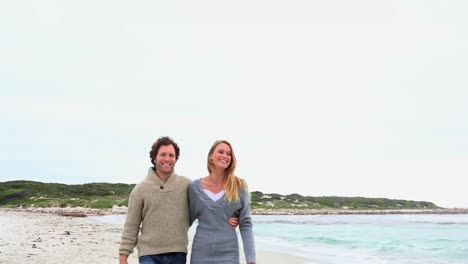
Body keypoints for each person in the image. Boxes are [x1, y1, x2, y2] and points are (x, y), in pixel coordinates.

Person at [118, 137, 238, 264]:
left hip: (177, 254)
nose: (167, 158)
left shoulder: (187, 185)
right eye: (163, 154)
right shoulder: (140, 190)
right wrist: (123, 256)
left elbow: (208, 207)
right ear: (154, 158)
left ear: (176, 159)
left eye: (171, 155)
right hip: (148, 255)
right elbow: (131, 226)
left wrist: (234, 216)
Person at [188, 140, 256, 264]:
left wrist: (251, 259)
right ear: (210, 157)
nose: (225, 156)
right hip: (200, 254)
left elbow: (245, 224)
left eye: (229, 154)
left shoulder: (239, 186)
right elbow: (185, 221)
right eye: (221, 152)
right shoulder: (194, 188)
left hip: (229, 254)